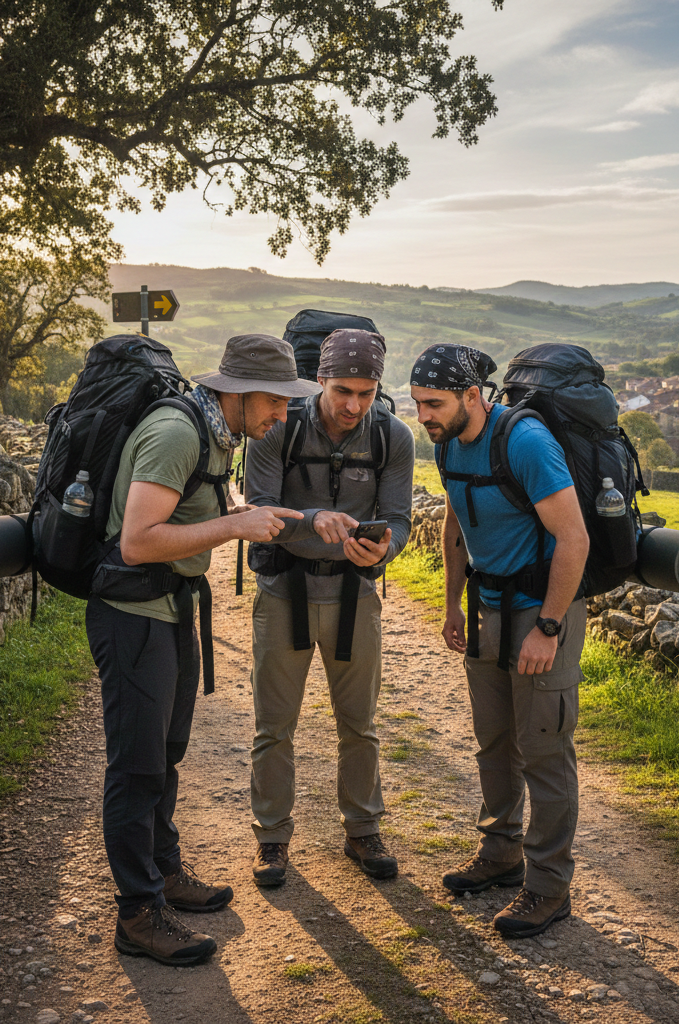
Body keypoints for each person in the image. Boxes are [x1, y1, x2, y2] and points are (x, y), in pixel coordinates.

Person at [85, 334, 321, 966]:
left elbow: (218, 507)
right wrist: (234, 528)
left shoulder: (216, 433)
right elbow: (136, 540)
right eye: (276, 402)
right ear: (240, 392)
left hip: (171, 608)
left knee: (166, 753)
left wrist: (307, 520)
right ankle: (137, 913)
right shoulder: (177, 432)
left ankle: (163, 873)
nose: (281, 416)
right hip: (133, 614)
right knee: (136, 769)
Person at [410, 344, 589, 938]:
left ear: (472, 396)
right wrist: (453, 602)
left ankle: (548, 887)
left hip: (543, 611)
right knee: (494, 740)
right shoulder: (444, 444)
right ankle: (501, 852)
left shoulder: (526, 443)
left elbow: (574, 539)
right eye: (416, 405)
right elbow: (458, 522)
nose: (424, 416)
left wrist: (549, 627)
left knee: (543, 750)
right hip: (488, 610)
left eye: (433, 403)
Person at [244, 329, 415, 886]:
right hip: (284, 593)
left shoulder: (393, 438)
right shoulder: (278, 430)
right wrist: (311, 518)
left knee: (360, 725)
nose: (353, 406)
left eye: (366, 393)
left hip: (355, 597)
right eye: (342, 390)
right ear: (319, 380)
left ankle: (363, 830)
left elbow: (400, 519)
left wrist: (387, 545)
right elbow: (260, 512)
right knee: (275, 726)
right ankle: (272, 840)